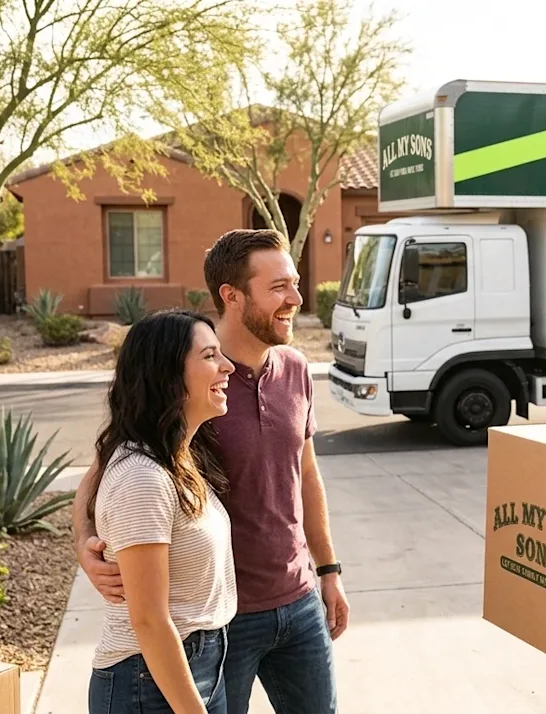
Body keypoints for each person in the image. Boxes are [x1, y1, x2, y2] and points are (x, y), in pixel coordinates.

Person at [73, 228, 347, 714]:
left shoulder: (295, 369)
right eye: (279, 286)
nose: (297, 298)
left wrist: (328, 570)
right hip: (222, 620)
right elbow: (104, 476)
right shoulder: (189, 382)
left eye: (296, 282)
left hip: (298, 598)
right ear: (232, 295)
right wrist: (86, 548)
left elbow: (306, 476)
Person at [86, 308, 238, 714]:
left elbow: (85, 496)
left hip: (193, 666)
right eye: (209, 357)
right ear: (167, 376)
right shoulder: (142, 477)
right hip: (148, 683)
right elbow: (149, 620)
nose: (226, 366)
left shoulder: (175, 455)